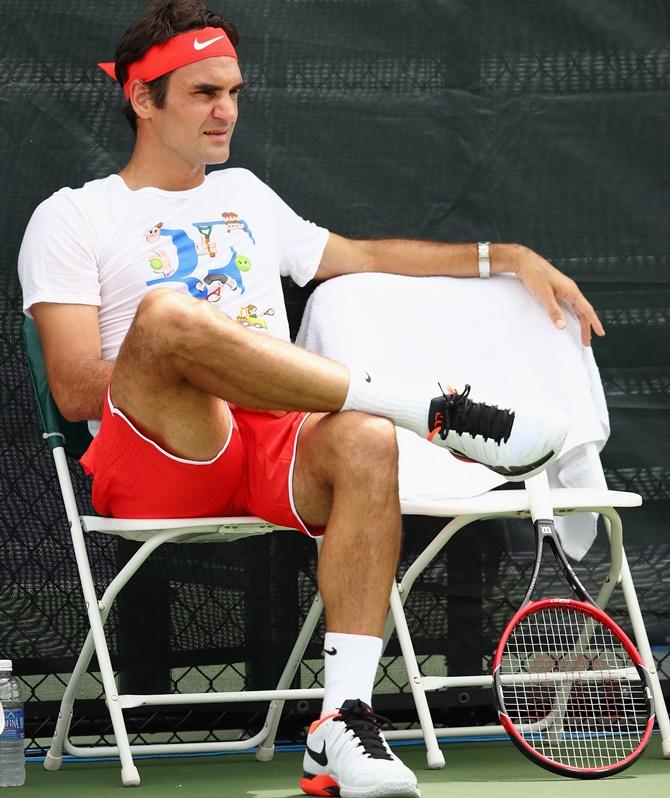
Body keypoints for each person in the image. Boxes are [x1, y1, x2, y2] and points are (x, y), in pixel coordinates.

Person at [18, 2, 605, 796]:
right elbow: (75, 384)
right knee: (167, 318)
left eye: (233, 91)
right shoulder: (73, 215)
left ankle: (342, 725)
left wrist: (502, 255)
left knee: (366, 443)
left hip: (274, 441)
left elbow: (361, 255)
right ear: (141, 98)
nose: (226, 109)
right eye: (201, 93)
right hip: (162, 446)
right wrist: (193, 349)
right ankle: (431, 408)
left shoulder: (250, 194)